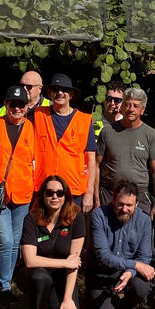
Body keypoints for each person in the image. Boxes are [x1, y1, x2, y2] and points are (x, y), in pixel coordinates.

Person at [20, 174, 86, 309]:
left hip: (62, 278)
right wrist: (64, 262)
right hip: (35, 275)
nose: (54, 197)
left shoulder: (77, 218)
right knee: (41, 277)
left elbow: (74, 262)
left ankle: (52, 306)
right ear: (42, 195)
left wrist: (67, 299)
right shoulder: (31, 218)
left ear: (66, 195)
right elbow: (30, 260)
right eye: (49, 193)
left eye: (59, 193)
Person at [87, 179, 155, 309]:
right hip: (101, 273)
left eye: (129, 205)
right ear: (113, 200)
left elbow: (144, 257)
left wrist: (131, 272)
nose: (124, 209)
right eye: (120, 204)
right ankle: (101, 305)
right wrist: (135, 265)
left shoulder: (144, 220)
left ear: (137, 203)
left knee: (142, 286)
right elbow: (103, 255)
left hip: (124, 273)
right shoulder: (99, 215)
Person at [0, 86, 39, 295]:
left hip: (22, 193)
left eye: (21, 105)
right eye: (13, 104)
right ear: (6, 105)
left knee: (15, 241)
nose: (17, 108)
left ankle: (6, 284)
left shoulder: (32, 128)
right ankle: (3, 284)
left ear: (27, 106)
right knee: (6, 239)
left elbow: (35, 160)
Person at [33, 72, 98, 211]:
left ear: (72, 94)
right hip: (44, 190)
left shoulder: (84, 120)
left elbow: (91, 160)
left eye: (65, 90)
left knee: (70, 231)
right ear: (50, 93)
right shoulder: (38, 115)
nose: (60, 93)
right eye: (56, 89)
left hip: (73, 191)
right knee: (44, 231)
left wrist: (89, 193)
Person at [97, 87, 155, 211]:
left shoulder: (151, 135)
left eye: (136, 106)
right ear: (122, 107)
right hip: (109, 194)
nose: (131, 109)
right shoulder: (107, 131)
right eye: (127, 104)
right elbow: (96, 165)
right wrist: (95, 197)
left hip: (140, 197)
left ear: (142, 110)